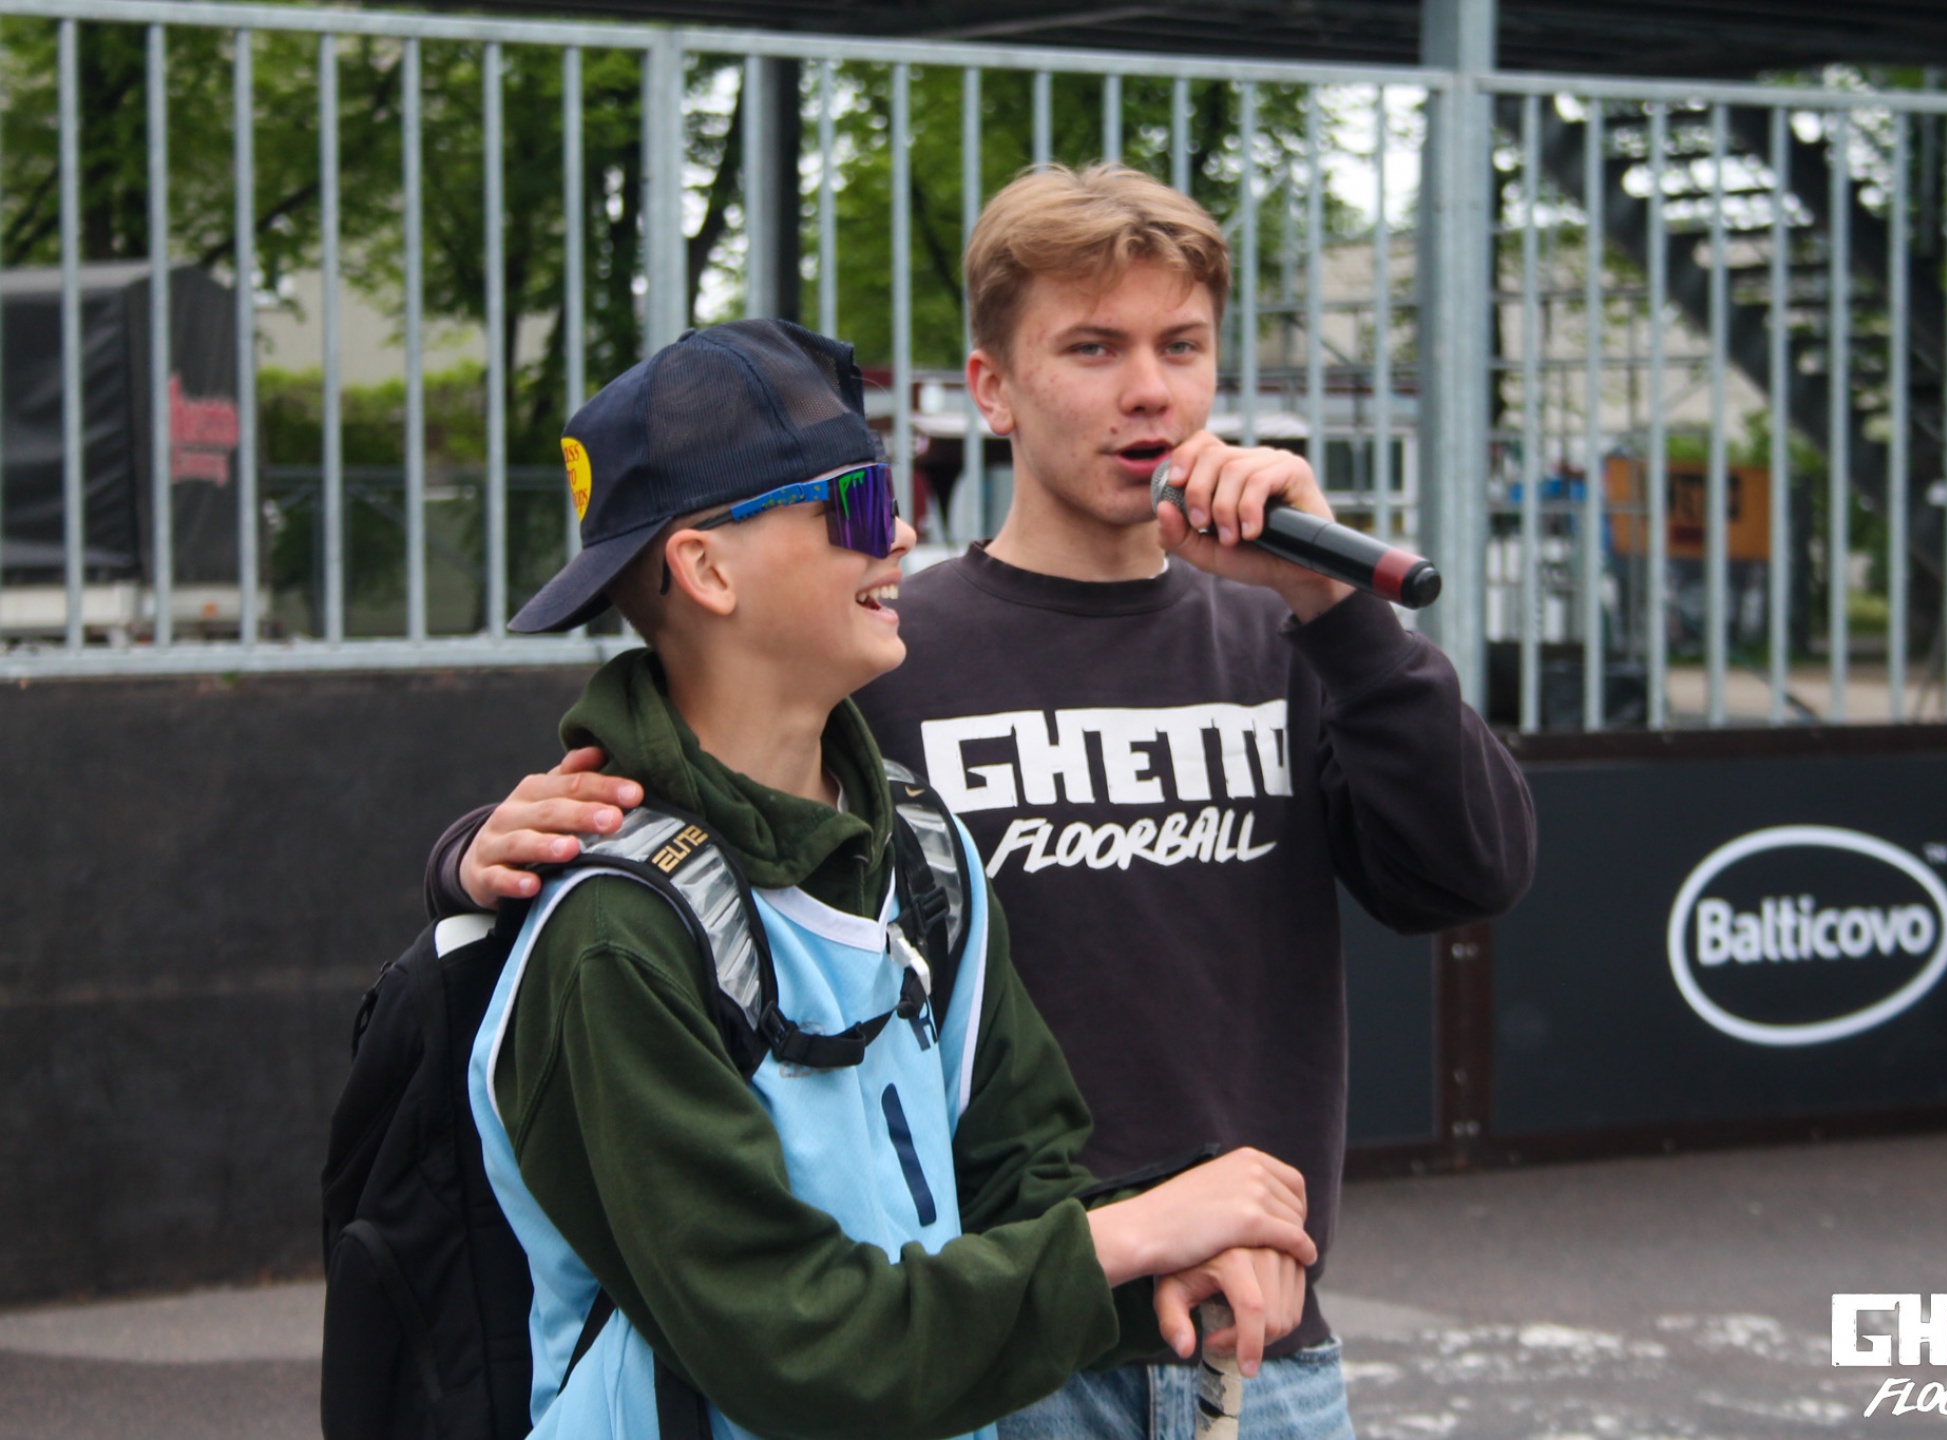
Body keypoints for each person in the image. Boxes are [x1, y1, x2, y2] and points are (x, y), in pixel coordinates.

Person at [431, 166, 1536, 1438]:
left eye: (1181, 346)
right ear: (992, 388)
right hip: (980, 1350)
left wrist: (1335, 608)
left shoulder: (1286, 638)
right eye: (1092, 347)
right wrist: (481, 858)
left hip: (1237, 1327)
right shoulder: (885, 653)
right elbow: (683, 815)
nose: (1148, 389)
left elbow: (1468, 872)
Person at [465, 316, 1318, 1440]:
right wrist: (1131, 1236)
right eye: (860, 504)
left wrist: (1177, 1257)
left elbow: (1022, 1189)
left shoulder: (919, 848)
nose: (905, 532)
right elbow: (792, 1344)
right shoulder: (617, 931)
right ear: (706, 568)